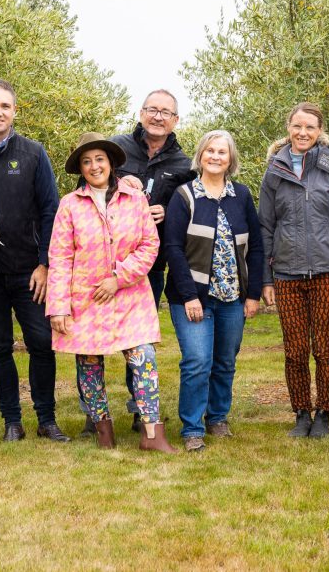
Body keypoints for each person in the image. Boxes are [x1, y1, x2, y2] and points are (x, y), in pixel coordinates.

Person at [46, 133, 177, 453]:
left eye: (99, 159)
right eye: (87, 161)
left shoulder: (135, 200)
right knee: (88, 363)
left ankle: (152, 434)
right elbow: (60, 258)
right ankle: (103, 430)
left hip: (129, 296)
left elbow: (150, 246)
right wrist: (58, 307)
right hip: (86, 298)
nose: (94, 166)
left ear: (111, 162)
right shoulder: (69, 205)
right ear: (80, 167)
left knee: (143, 358)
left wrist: (118, 278)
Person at [0, 79, 68, 443]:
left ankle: (47, 418)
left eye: (5, 106)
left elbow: (51, 209)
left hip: (29, 271)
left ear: (14, 111)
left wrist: (45, 263)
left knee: (40, 342)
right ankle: (11, 421)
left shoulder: (34, 153)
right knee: (0, 346)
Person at [259, 102, 329, 439]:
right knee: (296, 351)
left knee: (326, 350)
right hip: (286, 275)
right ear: (288, 127)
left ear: (319, 132)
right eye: (297, 126)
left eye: (310, 128)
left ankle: (324, 414)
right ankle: (301, 412)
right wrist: (265, 278)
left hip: (328, 273)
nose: (303, 133)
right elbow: (265, 228)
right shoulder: (275, 170)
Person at [97, 89, 194, 435]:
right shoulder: (116, 149)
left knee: (137, 339)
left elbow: (187, 211)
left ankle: (140, 405)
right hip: (101, 266)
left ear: (175, 121)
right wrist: (119, 185)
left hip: (147, 267)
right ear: (141, 113)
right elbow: (88, 184)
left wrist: (167, 211)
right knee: (93, 339)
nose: (158, 116)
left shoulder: (184, 165)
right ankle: (95, 413)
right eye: (152, 109)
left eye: (166, 112)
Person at [164, 130, 263, 452]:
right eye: (210, 151)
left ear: (230, 159)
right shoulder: (185, 196)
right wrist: (190, 295)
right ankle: (192, 427)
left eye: (222, 152)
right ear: (201, 156)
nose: (216, 157)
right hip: (192, 297)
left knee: (225, 361)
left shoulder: (242, 196)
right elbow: (173, 248)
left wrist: (253, 294)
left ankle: (217, 417)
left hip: (233, 296)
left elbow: (257, 248)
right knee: (196, 361)